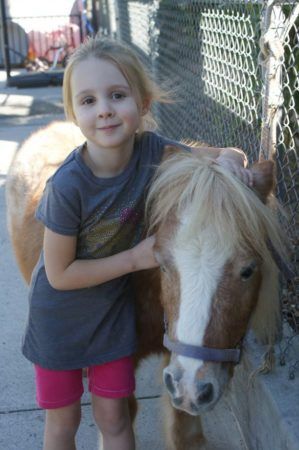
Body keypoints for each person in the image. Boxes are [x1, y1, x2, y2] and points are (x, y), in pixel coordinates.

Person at [22, 35, 253, 450]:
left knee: (116, 417)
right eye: (89, 100)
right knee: (63, 421)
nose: (105, 109)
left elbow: (224, 154)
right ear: (74, 113)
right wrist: (136, 258)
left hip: (112, 318)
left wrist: (233, 162)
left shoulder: (154, 152)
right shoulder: (67, 187)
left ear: (144, 103)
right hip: (61, 322)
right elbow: (58, 274)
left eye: (117, 95)